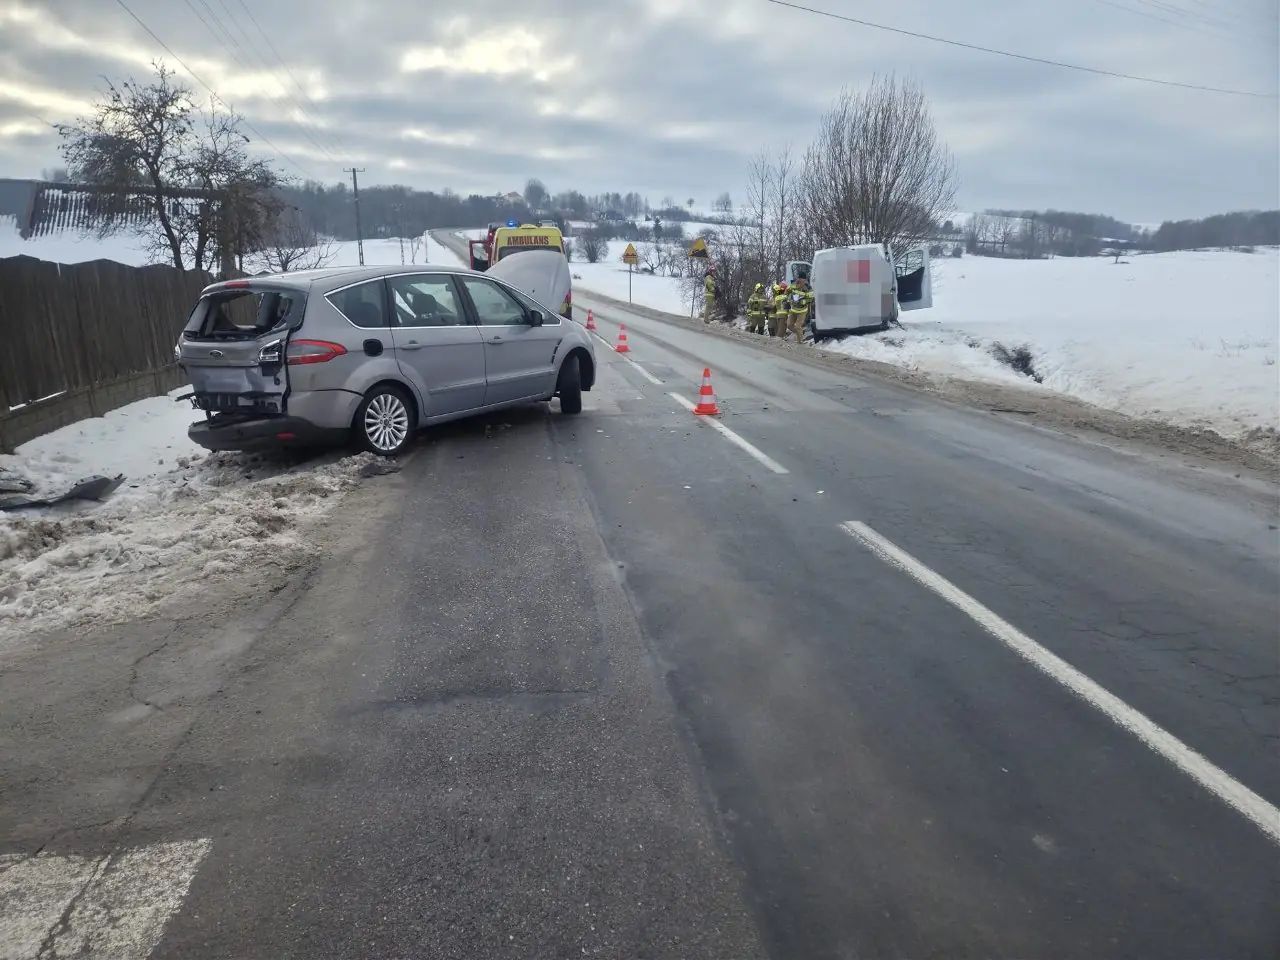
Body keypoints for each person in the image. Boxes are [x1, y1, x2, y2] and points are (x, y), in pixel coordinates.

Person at [787, 277, 811, 344]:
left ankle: (800, 342)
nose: (800, 282)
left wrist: (804, 301)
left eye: (802, 280)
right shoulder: (793, 285)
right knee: (789, 325)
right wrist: (788, 298)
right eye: (799, 280)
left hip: (802, 310)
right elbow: (787, 292)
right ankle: (799, 333)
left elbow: (811, 298)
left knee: (798, 326)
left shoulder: (808, 288)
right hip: (793, 309)